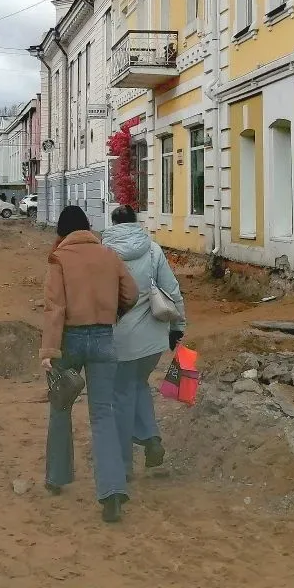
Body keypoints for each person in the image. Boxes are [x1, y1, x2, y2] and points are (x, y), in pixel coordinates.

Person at [41, 204, 138, 523]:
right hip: (103, 339)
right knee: (102, 414)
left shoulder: (59, 258)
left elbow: (55, 308)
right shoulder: (109, 255)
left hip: (69, 340)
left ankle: (57, 477)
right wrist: (113, 313)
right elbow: (131, 293)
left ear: (62, 231)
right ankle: (112, 492)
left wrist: (49, 350)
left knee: (60, 406)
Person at [101, 204, 186, 480]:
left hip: (120, 338)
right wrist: (178, 327)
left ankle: (124, 464)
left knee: (121, 395)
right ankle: (151, 439)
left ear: (113, 223)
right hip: (153, 337)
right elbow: (172, 290)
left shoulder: (104, 252)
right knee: (138, 385)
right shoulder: (153, 250)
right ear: (136, 222)